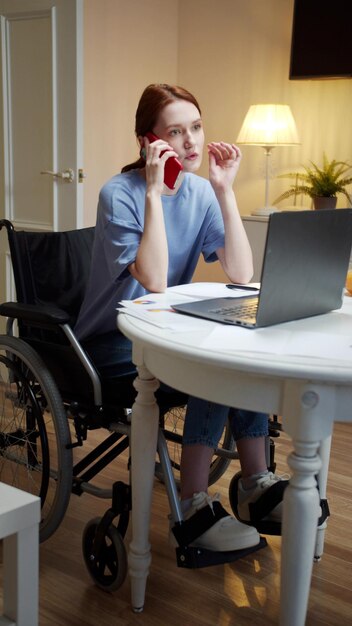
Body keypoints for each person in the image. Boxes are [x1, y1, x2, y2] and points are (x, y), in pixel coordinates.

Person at [75, 83, 286, 553]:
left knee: (238, 352)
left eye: (196, 127)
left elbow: (240, 271)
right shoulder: (120, 193)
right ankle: (191, 506)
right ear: (149, 142)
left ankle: (254, 484)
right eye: (176, 131)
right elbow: (153, 279)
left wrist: (225, 191)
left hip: (165, 330)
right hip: (112, 341)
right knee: (212, 368)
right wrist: (154, 193)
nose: (191, 142)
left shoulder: (199, 192)